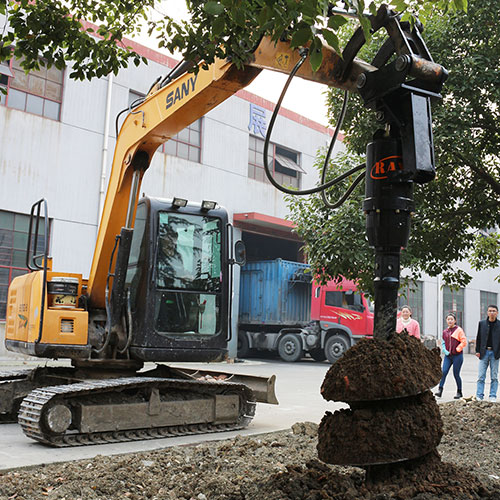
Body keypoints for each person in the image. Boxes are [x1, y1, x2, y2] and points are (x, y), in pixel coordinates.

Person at [435, 313, 467, 399]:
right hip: (448, 356)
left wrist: (458, 349)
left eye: (451, 319)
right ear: (446, 321)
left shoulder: (459, 330)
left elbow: (464, 342)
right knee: (443, 372)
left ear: (455, 321)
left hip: (457, 356)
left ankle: (459, 391)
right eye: (448, 319)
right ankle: (440, 390)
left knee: (456, 374)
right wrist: (444, 350)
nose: (450, 321)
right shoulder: (445, 332)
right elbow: (443, 342)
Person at [475, 304, 500, 402]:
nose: (492, 312)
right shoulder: (482, 323)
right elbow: (479, 338)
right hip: (484, 353)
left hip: (495, 353)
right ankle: (479, 395)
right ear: (487, 312)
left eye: (494, 311)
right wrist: (477, 351)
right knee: (481, 376)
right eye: (490, 311)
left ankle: (492, 395)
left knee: (494, 376)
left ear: (497, 313)